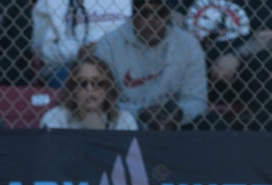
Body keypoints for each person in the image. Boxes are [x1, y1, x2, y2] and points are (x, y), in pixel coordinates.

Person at [180, 0, 272, 131]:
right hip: (193, 73)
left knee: (269, 61)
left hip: (241, 75)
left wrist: (237, 56)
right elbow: (170, 23)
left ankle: (268, 135)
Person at [93, 0, 207, 130]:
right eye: (144, 12)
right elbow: (102, 101)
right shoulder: (109, 45)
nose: (151, 20)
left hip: (177, 127)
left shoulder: (188, 44)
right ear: (133, 14)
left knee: (211, 122)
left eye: (160, 13)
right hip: (125, 126)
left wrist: (180, 114)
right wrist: (139, 113)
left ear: (168, 16)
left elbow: (197, 100)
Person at [32, 0, 132, 87]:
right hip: (72, 65)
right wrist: (77, 51)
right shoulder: (52, 2)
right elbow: (42, 48)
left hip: (125, 60)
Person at [40, 54, 138, 130]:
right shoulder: (56, 118)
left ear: (108, 88)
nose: (89, 89)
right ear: (72, 88)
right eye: (82, 83)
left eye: (97, 83)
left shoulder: (124, 121)